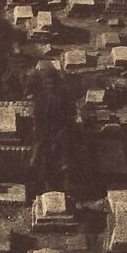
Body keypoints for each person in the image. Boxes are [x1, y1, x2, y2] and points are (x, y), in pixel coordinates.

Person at [26, 61, 77, 190]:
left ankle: (66, 182)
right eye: (47, 83)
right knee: (39, 153)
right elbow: (37, 119)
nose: (50, 86)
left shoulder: (65, 98)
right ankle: (42, 183)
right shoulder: (41, 99)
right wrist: (42, 133)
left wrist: (61, 132)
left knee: (65, 154)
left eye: (52, 83)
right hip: (44, 132)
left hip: (62, 131)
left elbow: (71, 117)